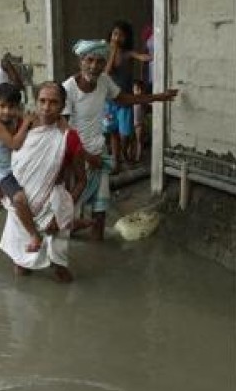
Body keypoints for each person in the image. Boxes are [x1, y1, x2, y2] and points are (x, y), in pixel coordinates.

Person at [62, 39, 178, 240]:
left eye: (100, 61)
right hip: (76, 159)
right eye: (89, 60)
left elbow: (123, 98)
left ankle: (97, 249)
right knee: (70, 216)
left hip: (99, 156)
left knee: (100, 211)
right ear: (80, 61)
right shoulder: (68, 89)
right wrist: (87, 157)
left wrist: (158, 97)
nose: (94, 66)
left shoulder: (104, 81)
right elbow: (63, 132)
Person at [0, 82, 89, 282]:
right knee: (21, 265)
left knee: (60, 269)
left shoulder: (69, 138)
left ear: (63, 105)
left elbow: (82, 181)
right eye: (42, 101)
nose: (47, 107)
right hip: (20, 206)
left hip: (52, 209)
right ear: (36, 102)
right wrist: (1, 188)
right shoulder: (23, 126)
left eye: (54, 102)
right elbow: (9, 164)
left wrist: (62, 215)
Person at [0, 82, 42, 252]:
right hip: (4, 173)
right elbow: (15, 144)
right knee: (20, 199)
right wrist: (26, 123)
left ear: (17, 106)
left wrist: (30, 120)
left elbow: (36, 125)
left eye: (11, 106)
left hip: (16, 166)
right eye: (2, 106)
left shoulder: (13, 118)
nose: (7, 111)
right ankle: (34, 235)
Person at [105, 20, 151, 173]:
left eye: (121, 35)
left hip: (125, 100)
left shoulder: (128, 54)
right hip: (110, 101)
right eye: (115, 34)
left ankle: (125, 154)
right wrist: (112, 50)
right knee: (113, 134)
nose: (118, 37)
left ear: (127, 38)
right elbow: (108, 71)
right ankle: (116, 163)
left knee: (125, 134)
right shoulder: (106, 54)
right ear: (110, 36)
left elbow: (141, 57)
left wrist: (152, 56)